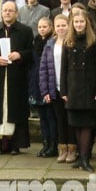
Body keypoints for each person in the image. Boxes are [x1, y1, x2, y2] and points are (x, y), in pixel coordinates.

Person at [0, 1, 34, 155]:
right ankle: (0, 144)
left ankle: (15, 145)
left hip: (16, 77)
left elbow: (32, 52)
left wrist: (20, 54)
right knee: (0, 110)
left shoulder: (25, 30)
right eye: (5, 10)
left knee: (15, 110)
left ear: (16, 13)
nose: (7, 13)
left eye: (10, 11)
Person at [61, 7, 96, 172]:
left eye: (82, 22)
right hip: (72, 88)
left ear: (87, 23)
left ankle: (85, 158)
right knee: (76, 124)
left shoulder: (94, 42)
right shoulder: (67, 41)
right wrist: (63, 91)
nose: (79, 24)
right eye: (76, 22)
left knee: (86, 124)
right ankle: (79, 157)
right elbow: (63, 69)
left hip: (88, 88)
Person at [39, 15, 75, 163]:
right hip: (55, 88)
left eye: (63, 25)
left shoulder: (72, 43)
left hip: (71, 89)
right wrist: (45, 90)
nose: (61, 28)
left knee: (71, 120)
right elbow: (43, 69)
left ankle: (73, 150)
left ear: (68, 26)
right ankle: (63, 149)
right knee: (60, 120)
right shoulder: (49, 44)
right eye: (58, 26)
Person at [30, 17, 57, 157]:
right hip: (36, 81)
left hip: (48, 82)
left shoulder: (52, 42)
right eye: (39, 27)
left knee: (51, 116)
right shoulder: (36, 41)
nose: (41, 29)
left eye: (44, 27)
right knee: (42, 117)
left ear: (50, 27)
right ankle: (45, 143)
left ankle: (53, 144)